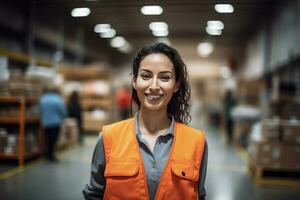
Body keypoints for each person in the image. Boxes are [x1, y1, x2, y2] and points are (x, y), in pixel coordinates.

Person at [83, 43, 208, 200]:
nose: (154, 86)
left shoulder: (196, 142)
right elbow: (94, 195)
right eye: (146, 76)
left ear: (176, 85)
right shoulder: (108, 137)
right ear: (135, 81)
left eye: (164, 77)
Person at [39, 86, 67, 161]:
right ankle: (51, 155)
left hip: (45, 122)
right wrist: (63, 117)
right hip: (55, 122)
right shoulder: (57, 99)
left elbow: (40, 110)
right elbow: (62, 110)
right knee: (53, 139)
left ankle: (47, 154)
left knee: (47, 139)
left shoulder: (43, 99)